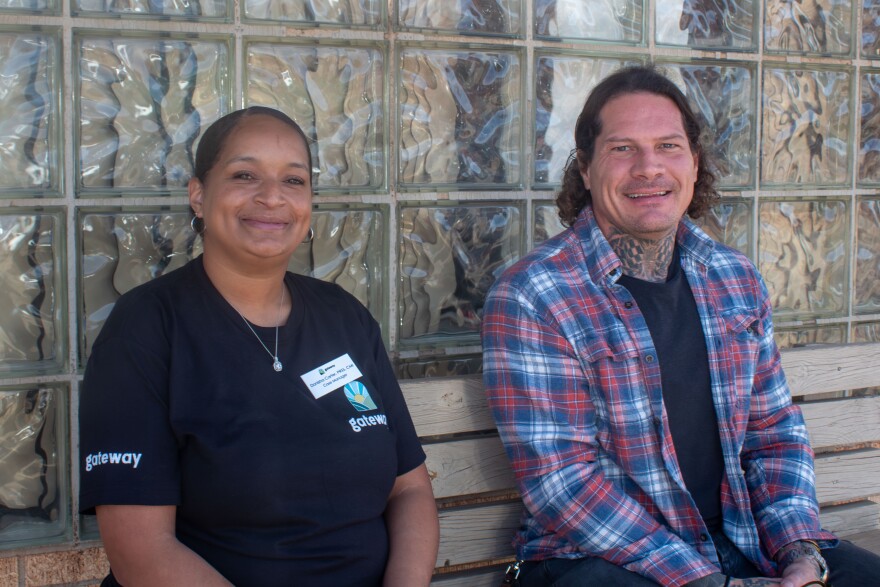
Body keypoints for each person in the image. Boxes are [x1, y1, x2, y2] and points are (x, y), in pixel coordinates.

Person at [481, 66, 880, 587]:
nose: (649, 168)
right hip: (597, 561)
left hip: (741, 541)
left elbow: (773, 435)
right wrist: (709, 582)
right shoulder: (534, 294)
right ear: (584, 167)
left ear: (693, 162)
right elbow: (564, 483)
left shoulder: (734, 277)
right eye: (623, 149)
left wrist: (799, 552)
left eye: (668, 145)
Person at [79, 106, 439, 587]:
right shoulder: (146, 329)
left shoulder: (344, 317)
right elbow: (141, 553)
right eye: (244, 175)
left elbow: (409, 490)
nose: (272, 197)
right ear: (199, 196)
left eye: (293, 180)